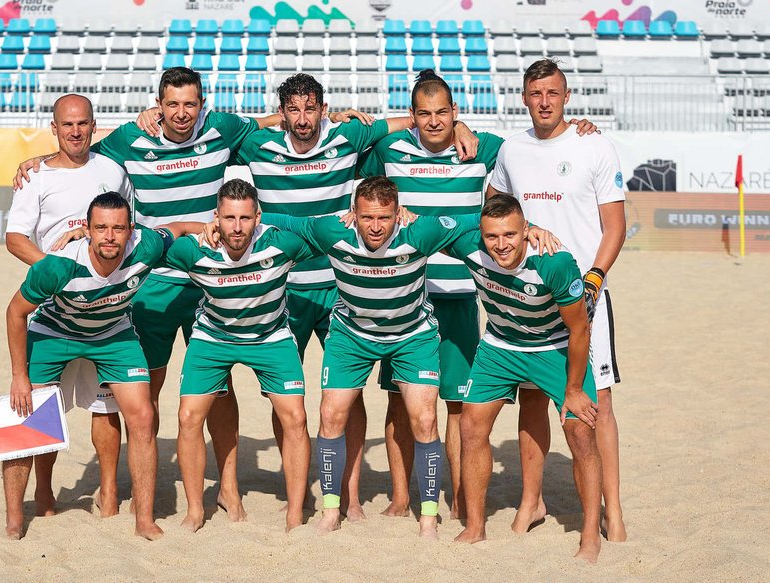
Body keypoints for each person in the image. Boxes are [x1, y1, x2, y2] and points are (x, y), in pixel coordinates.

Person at [15, 67, 283, 521]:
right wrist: (38, 160)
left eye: (190, 104)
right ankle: (141, 493)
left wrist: (331, 116)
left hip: (209, 278)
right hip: (151, 283)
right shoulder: (127, 138)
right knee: (142, 392)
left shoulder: (221, 127)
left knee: (218, 388)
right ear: (158, 105)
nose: (181, 113)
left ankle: (230, 488)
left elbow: (272, 122)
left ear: (202, 104)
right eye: (172, 104)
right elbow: (78, 152)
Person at [233, 72, 478, 522]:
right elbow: (209, 135)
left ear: (324, 110)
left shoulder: (348, 134)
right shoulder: (255, 143)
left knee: (349, 394)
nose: (303, 119)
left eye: (311, 109)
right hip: (284, 286)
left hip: (342, 286)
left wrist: (460, 126)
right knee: (282, 398)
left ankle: (349, 496)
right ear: (282, 111)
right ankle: (298, 494)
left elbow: (414, 121)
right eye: (293, 110)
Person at [359, 70, 597, 520]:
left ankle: (458, 500)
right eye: (424, 114)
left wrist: (580, 128)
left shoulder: (483, 147)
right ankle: (401, 497)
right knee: (399, 398)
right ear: (412, 116)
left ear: (456, 113)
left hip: (461, 293)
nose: (434, 122)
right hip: (405, 293)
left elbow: (538, 146)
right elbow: (366, 188)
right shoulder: (388, 149)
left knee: (458, 403)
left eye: (443, 114)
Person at [261, 176, 478, 538]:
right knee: (330, 414)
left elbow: (476, 218)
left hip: (412, 335)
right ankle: (331, 510)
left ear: (398, 214)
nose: (375, 227)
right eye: (367, 218)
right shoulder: (332, 230)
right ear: (353, 214)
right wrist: (215, 225)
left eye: (384, 218)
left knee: (424, 419)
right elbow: (279, 218)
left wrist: (531, 228)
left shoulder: (420, 231)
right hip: (352, 334)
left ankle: (428, 516)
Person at [1, 191, 203, 540]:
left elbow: (181, 227)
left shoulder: (147, 247)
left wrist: (212, 227)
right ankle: (16, 518)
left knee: (142, 416)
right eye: (102, 228)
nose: (110, 236)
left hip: (113, 334)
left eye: (119, 228)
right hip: (55, 332)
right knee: (29, 420)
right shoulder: (59, 266)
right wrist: (19, 376)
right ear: (88, 230)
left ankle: (143, 519)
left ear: (131, 230)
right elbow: (15, 312)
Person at [487, 58, 627, 542]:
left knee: (598, 404)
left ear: (566, 97)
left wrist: (592, 279)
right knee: (530, 402)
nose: (544, 102)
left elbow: (616, 227)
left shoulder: (593, 144)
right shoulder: (511, 149)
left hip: (583, 296)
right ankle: (533, 500)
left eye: (553, 93)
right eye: (535, 93)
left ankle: (613, 510)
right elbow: (494, 210)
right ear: (524, 97)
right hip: (525, 297)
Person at [449, 194, 603, 563]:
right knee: (470, 427)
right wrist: (403, 213)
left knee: (581, 432)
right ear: (480, 234)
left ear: (526, 231)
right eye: (492, 237)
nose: (501, 245)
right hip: (500, 346)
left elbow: (580, 329)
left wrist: (575, 390)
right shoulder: (468, 242)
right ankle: (475, 526)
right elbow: (422, 223)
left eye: (510, 235)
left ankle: (590, 536)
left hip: (555, 346)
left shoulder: (555, 262)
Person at [4, 93, 131, 519]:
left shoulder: (112, 170)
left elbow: (132, 227)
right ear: (54, 128)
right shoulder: (36, 176)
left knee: (105, 408)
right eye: (67, 125)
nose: (75, 132)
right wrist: (56, 269)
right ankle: (43, 492)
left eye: (83, 124)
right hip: (53, 312)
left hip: (108, 312)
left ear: (94, 126)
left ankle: (109, 491)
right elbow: (15, 238)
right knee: (43, 410)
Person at [166, 179, 317, 533]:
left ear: (258, 217)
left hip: (270, 336)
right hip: (213, 337)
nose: (237, 228)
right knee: (188, 417)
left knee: (294, 417)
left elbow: (326, 228)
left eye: (245, 219)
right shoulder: (194, 250)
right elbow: (152, 236)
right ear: (216, 217)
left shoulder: (282, 244)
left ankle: (295, 512)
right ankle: (194, 511)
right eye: (229, 218)